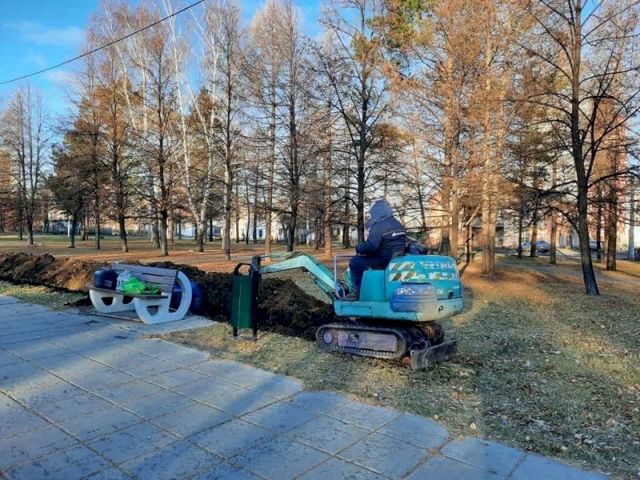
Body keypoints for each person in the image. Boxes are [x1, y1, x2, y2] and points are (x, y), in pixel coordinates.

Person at [348, 199, 407, 299]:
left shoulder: (379, 225)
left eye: (372, 213)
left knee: (355, 262)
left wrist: (359, 248)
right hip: (396, 258)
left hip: (383, 259)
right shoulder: (398, 224)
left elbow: (371, 246)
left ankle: (357, 292)